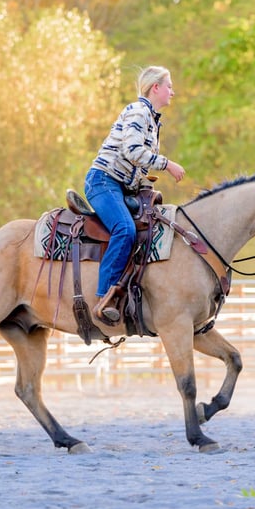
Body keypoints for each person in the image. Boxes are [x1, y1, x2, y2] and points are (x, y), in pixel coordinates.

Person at [85, 66, 186, 325]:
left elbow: (134, 160)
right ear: (156, 88)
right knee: (125, 229)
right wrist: (167, 164)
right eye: (169, 86)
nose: (172, 92)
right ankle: (104, 297)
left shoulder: (151, 119)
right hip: (103, 182)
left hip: (118, 185)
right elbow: (132, 150)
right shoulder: (139, 112)